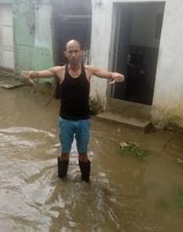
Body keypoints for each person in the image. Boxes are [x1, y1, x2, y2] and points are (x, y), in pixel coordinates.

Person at [22, 40, 124, 182]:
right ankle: (62, 182)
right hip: (66, 121)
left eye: (76, 51)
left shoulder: (89, 70)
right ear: (66, 54)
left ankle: (85, 184)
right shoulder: (60, 71)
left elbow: (107, 74)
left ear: (81, 52)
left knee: (83, 154)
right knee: (64, 153)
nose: (74, 54)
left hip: (84, 120)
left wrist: (116, 76)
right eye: (70, 51)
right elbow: (41, 73)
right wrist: (30, 74)